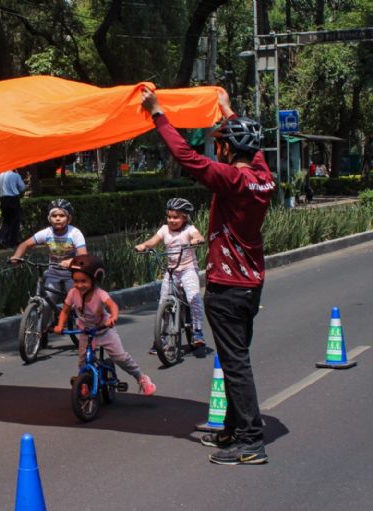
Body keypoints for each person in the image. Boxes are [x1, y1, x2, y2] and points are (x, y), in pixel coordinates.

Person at [142, 87, 274, 465]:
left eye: (222, 145)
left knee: (235, 364)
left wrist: (158, 113)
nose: (218, 151)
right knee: (237, 358)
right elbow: (254, 149)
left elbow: (186, 156)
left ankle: (250, 441)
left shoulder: (232, 180)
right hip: (250, 283)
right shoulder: (263, 177)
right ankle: (234, 429)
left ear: (230, 151)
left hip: (229, 287)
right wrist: (229, 111)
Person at [53, 254, 156, 396]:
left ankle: (141, 378)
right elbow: (64, 311)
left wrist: (113, 317)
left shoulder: (99, 293)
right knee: (83, 362)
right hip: (86, 332)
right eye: (75, 281)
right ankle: (85, 383)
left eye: (83, 281)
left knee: (120, 357)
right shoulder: (72, 293)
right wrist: (60, 325)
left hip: (104, 329)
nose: (79, 285)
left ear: (95, 280)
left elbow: (112, 305)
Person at [135, 197, 207, 357]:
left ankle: (197, 331)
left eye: (176, 217)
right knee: (163, 302)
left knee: (194, 298)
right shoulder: (164, 230)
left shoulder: (189, 229)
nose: (172, 220)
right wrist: (144, 246)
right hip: (171, 270)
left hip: (188, 269)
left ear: (185, 217)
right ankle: (162, 338)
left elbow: (198, 236)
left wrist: (197, 240)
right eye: (169, 217)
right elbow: (153, 241)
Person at [10, 198, 87, 300]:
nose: (58, 218)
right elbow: (25, 245)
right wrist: (16, 257)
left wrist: (71, 261)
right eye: (54, 216)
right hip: (53, 273)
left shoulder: (75, 233)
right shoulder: (46, 233)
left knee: (76, 302)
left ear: (69, 219)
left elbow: (83, 255)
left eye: (62, 215)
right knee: (46, 304)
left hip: (71, 274)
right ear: (49, 218)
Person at [0, 169, 26, 248]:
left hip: (3, 199)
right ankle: (12, 242)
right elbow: (22, 187)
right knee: (15, 221)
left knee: (6, 220)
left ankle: (2, 239)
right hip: (13, 199)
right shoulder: (16, 175)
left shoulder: (1, 175)